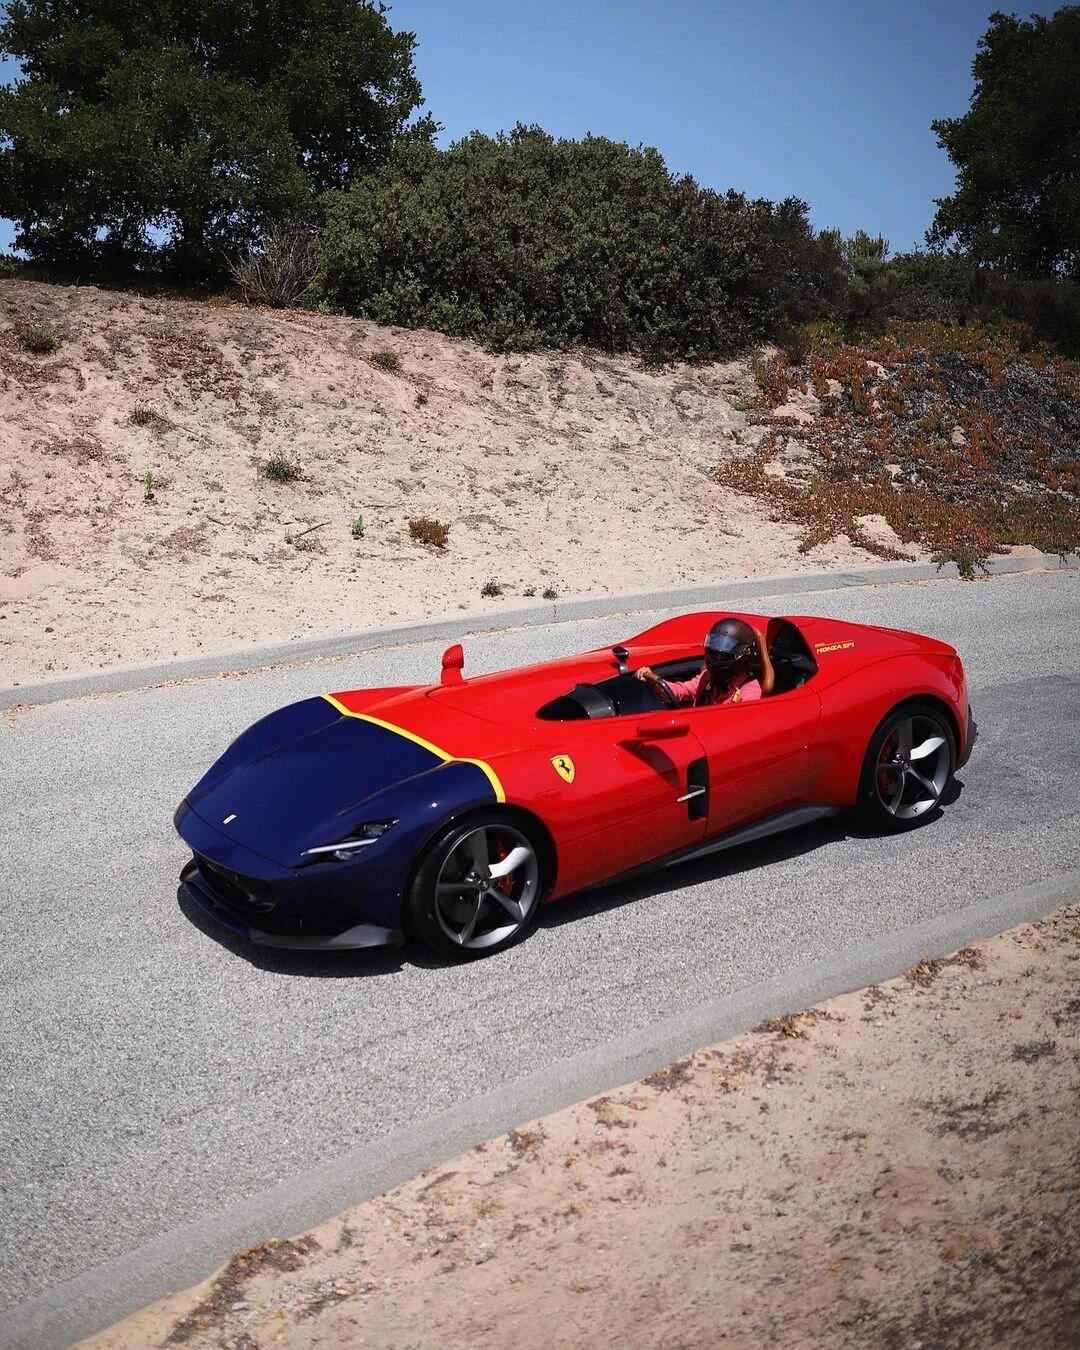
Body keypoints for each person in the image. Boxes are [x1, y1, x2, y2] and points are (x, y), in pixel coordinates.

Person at [635, 617, 773, 707]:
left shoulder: (750, 691)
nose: (717, 657)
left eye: (722, 655)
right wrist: (653, 679)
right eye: (715, 652)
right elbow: (679, 692)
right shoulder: (708, 678)